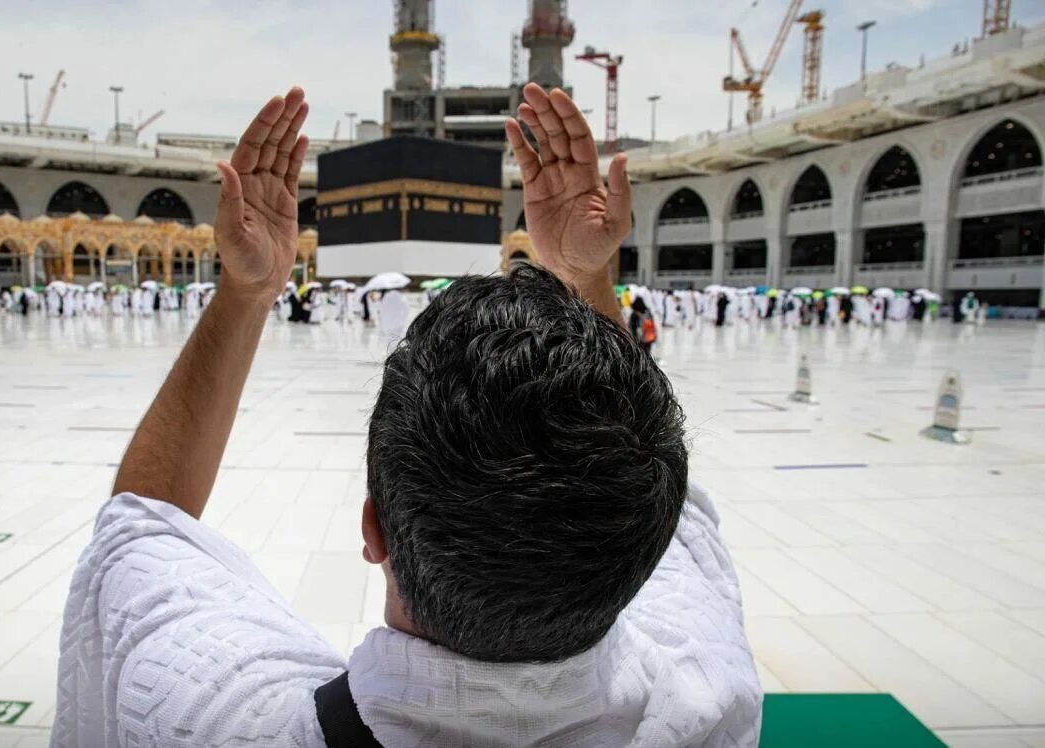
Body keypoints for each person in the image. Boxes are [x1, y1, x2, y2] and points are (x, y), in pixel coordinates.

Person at [53, 85, 760, 747]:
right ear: (646, 543)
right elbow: (676, 515)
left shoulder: (224, 718)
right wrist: (589, 277)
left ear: (373, 528)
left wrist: (247, 293)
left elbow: (141, 522)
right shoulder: (707, 692)